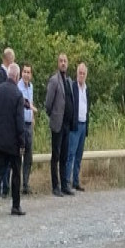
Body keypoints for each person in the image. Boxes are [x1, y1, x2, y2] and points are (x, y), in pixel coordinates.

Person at [0, 64, 25, 216]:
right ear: (17, 77)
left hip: (0, 139)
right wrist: (22, 142)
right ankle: (15, 206)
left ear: (8, 74)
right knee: (16, 173)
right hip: (13, 143)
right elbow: (19, 122)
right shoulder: (18, 95)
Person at [44, 54, 74, 196]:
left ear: (67, 64)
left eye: (65, 61)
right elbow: (48, 104)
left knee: (64, 155)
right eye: (61, 61)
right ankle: (55, 186)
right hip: (57, 124)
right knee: (55, 156)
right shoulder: (54, 80)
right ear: (58, 64)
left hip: (67, 124)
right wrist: (54, 116)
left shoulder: (68, 81)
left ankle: (64, 185)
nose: (63, 63)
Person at [66, 62, 89, 192]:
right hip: (74, 125)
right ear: (76, 73)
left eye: (83, 73)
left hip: (83, 124)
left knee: (79, 155)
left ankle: (76, 181)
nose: (81, 75)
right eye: (80, 73)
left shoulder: (87, 89)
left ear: (86, 75)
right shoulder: (73, 86)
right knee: (71, 154)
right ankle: (67, 181)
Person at [16, 63, 36, 195]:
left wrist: (33, 117)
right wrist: (31, 108)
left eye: (28, 72)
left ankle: (25, 184)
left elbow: (31, 102)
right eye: (24, 72)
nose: (26, 74)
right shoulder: (18, 87)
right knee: (18, 155)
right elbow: (23, 102)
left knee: (29, 156)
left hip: (29, 124)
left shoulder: (31, 87)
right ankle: (16, 184)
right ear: (21, 73)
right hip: (20, 124)